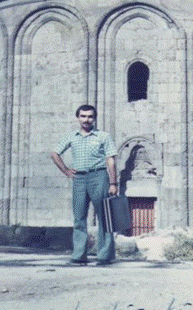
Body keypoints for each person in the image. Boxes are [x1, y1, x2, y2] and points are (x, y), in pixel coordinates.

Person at [51, 104, 118, 266]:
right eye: (83, 116)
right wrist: (66, 170)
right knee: (79, 217)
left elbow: (110, 159)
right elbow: (54, 153)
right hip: (79, 179)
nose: (86, 120)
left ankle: (104, 255)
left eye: (90, 116)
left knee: (104, 217)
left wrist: (113, 182)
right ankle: (79, 255)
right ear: (78, 118)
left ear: (94, 118)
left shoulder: (103, 136)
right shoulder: (72, 136)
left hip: (99, 176)